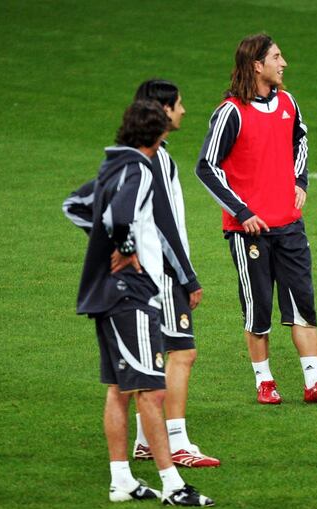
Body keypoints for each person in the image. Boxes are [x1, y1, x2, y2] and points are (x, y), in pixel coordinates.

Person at [64, 80, 219, 467]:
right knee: (181, 352)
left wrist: (113, 241)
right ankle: (175, 440)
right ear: (162, 111)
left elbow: (80, 204)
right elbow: (163, 224)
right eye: (179, 104)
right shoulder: (153, 161)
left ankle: (146, 441)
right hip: (161, 274)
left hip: (151, 273)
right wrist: (187, 276)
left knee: (141, 366)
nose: (184, 110)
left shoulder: (135, 158)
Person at [195, 33, 317, 405]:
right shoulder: (231, 112)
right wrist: (242, 212)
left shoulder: (288, 103)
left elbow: (301, 139)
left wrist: (300, 180)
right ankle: (265, 382)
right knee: (258, 307)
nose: (284, 64)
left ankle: (314, 383)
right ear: (256, 65)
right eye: (277, 57)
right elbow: (206, 167)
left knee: (303, 305)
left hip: (289, 224)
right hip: (250, 232)